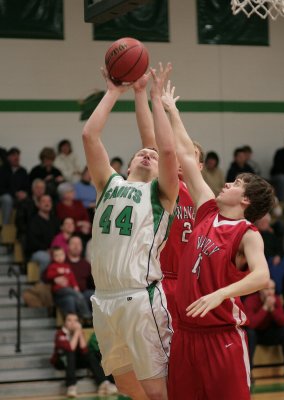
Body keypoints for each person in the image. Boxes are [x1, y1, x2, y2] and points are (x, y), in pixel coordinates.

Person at [161, 81, 275, 400]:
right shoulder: (207, 210)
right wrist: (172, 110)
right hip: (185, 334)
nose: (227, 182)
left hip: (220, 337)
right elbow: (185, 153)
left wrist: (220, 294)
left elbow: (262, 276)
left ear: (247, 201)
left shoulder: (247, 234)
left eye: (237, 183)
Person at [82, 63, 179, 400]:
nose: (148, 152)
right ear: (127, 163)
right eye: (142, 150)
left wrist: (154, 98)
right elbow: (89, 136)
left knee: (157, 390)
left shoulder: (160, 194)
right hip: (104, 299)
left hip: (140, 297)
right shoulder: (109, 183)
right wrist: (113, 92)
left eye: (153, 154)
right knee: (126, 387)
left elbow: (165, 149)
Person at [133, 70, 203, 331]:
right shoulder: (167, 185)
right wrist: (141, 94)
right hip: (159, 278)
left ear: (200, 165)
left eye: (190, 156)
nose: (182, 161)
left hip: (192, 283)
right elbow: (149, 139)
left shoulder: (206, 198)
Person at [244, 279, 284, 381]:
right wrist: (265, 308)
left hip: (271, 332)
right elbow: (251, 324)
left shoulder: (276, 299)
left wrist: (273, 310)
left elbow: (283, 322)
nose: (270, 292)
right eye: (267, 289)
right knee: (249, 334)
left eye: (272, 289)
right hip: (256, 333)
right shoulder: (251, 300)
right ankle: (249, 371)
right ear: (260, 290)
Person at [51, 313, 117, 398]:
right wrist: (77, 333)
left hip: (74, 361)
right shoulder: (60, 334)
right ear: (65, 322)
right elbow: (70, 348)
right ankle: (71, 386)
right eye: (69, 320)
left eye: (75, 320)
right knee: (70, 354)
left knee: (90, 354)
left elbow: (84, 350)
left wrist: (79, 333)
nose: (72, 323)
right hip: (62, 361)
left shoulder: (78, 332)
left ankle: (104, 383)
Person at [45, 246, 92, 321]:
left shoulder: (67, 266)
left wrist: (75, 286)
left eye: (61, 255)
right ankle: (86, 314)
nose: (59, 257)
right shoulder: (53, 266)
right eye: (57, 256)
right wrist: (56, 274)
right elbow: (48, 275)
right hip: (59, 290)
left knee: (75, 297)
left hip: (69, 289)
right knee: (78, 295)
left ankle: (83, 316)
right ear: (53, 257)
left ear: (64, 255)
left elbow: (72, 278)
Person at [255, 213, 284, 294]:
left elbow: (280, 248)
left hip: (274, 259)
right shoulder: (255, 234)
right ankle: (277, 291)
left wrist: (278, 256)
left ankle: (277, 290)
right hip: (263, 260)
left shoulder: (272, 235)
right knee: (274, 269)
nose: (263, 224)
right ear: (257, 223)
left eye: (266, 222)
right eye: (261, 222)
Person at [27, 194, 60, 275]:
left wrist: (55, 249)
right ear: (38, 204)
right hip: (38, 252)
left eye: (49, 201)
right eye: (44, 201)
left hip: (54, 250)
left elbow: (58, 237)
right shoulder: (33, 221)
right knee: (46, 258)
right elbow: (32, 241)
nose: (47, 203)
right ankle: (42, 282)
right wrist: (47, 249)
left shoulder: (55, 220)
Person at [0, 147, 29, 225]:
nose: (16, 157)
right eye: (13, 155)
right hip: (4, 196)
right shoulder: (3, 170)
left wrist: (25, 193)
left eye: (18, 155)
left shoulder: (23, 171)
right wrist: (15, 193)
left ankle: (24, 229)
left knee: (28, 201)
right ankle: (4, 226)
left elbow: (27, 186)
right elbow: (1, 188)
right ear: (8, 157)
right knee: (7, 199)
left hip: (18, 197)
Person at [66, 235, 95, 309]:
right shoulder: (62, 262)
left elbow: (92, 283)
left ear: (82, 247)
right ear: (68, 246)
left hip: (84, 293)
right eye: (73, 243)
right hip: (68, 293)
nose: (76, 246)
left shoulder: (86, 264)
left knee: (95, 296)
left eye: (78, 244)